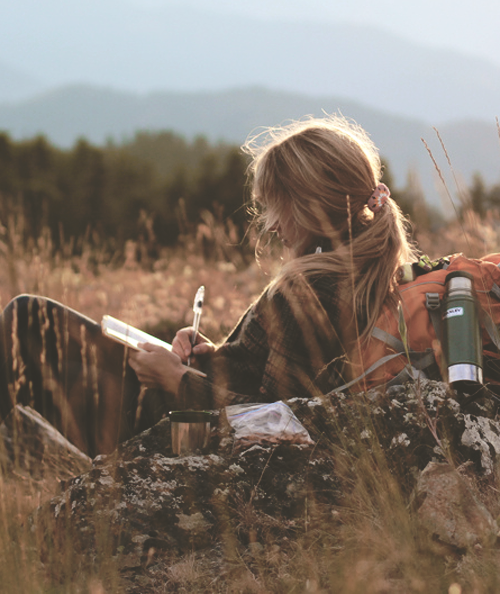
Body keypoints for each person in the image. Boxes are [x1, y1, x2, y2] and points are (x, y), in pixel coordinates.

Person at [0, 116, 417, 457]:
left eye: (277, 205)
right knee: (34, 327)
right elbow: (275, 385)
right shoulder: (365, 271)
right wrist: (215, 356)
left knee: (26, 321)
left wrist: (175, 378)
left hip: (171, 429)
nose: (271, 223)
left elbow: (278, 424)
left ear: (310, 205)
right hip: (179, 409)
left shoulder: (311, 289)